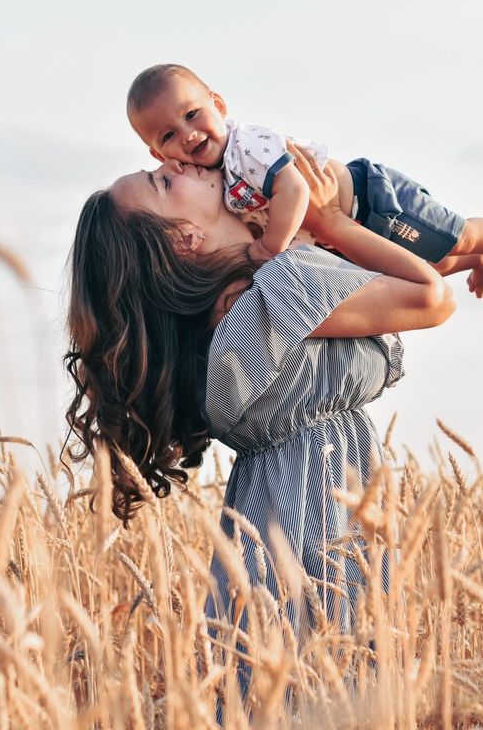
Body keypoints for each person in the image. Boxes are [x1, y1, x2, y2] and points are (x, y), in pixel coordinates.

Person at [64, 145, 456, 635]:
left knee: (284, 685)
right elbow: (430, 297)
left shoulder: (227, 321)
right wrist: (332, 221)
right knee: (331, 671)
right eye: (162, 182)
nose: (176, 162)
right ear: (187, 238)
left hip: (265, 513)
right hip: (325, 505)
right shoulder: (285, 285)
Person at [126, 62, 483, 298]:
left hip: (371, 199)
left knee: (456, 236)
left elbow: (294, 189)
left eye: (192, 114)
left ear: (218, 104)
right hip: (344, 231)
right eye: (169, 136)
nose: (189, 134)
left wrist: (270, 247)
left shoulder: (246, 148)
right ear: (158, 154)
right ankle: (479, 259)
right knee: (434, 264)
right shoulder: (207, 176)